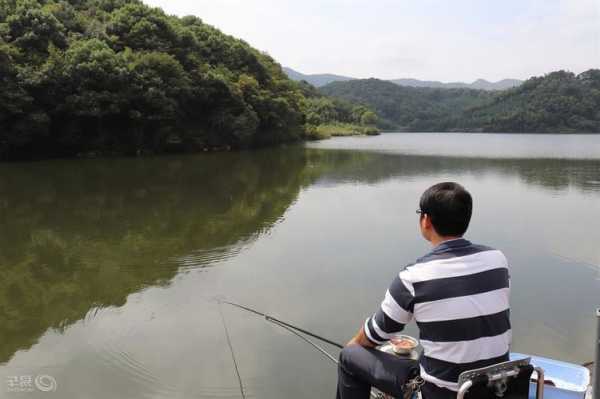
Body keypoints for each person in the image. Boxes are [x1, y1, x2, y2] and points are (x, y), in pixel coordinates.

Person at [336, 182, 511, 399]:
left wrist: (352, 347)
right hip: (497, 389)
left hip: (442, 394)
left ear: (426, 220)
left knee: (349, 356)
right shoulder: (498, 261)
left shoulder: (413, 278)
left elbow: (375, 334)